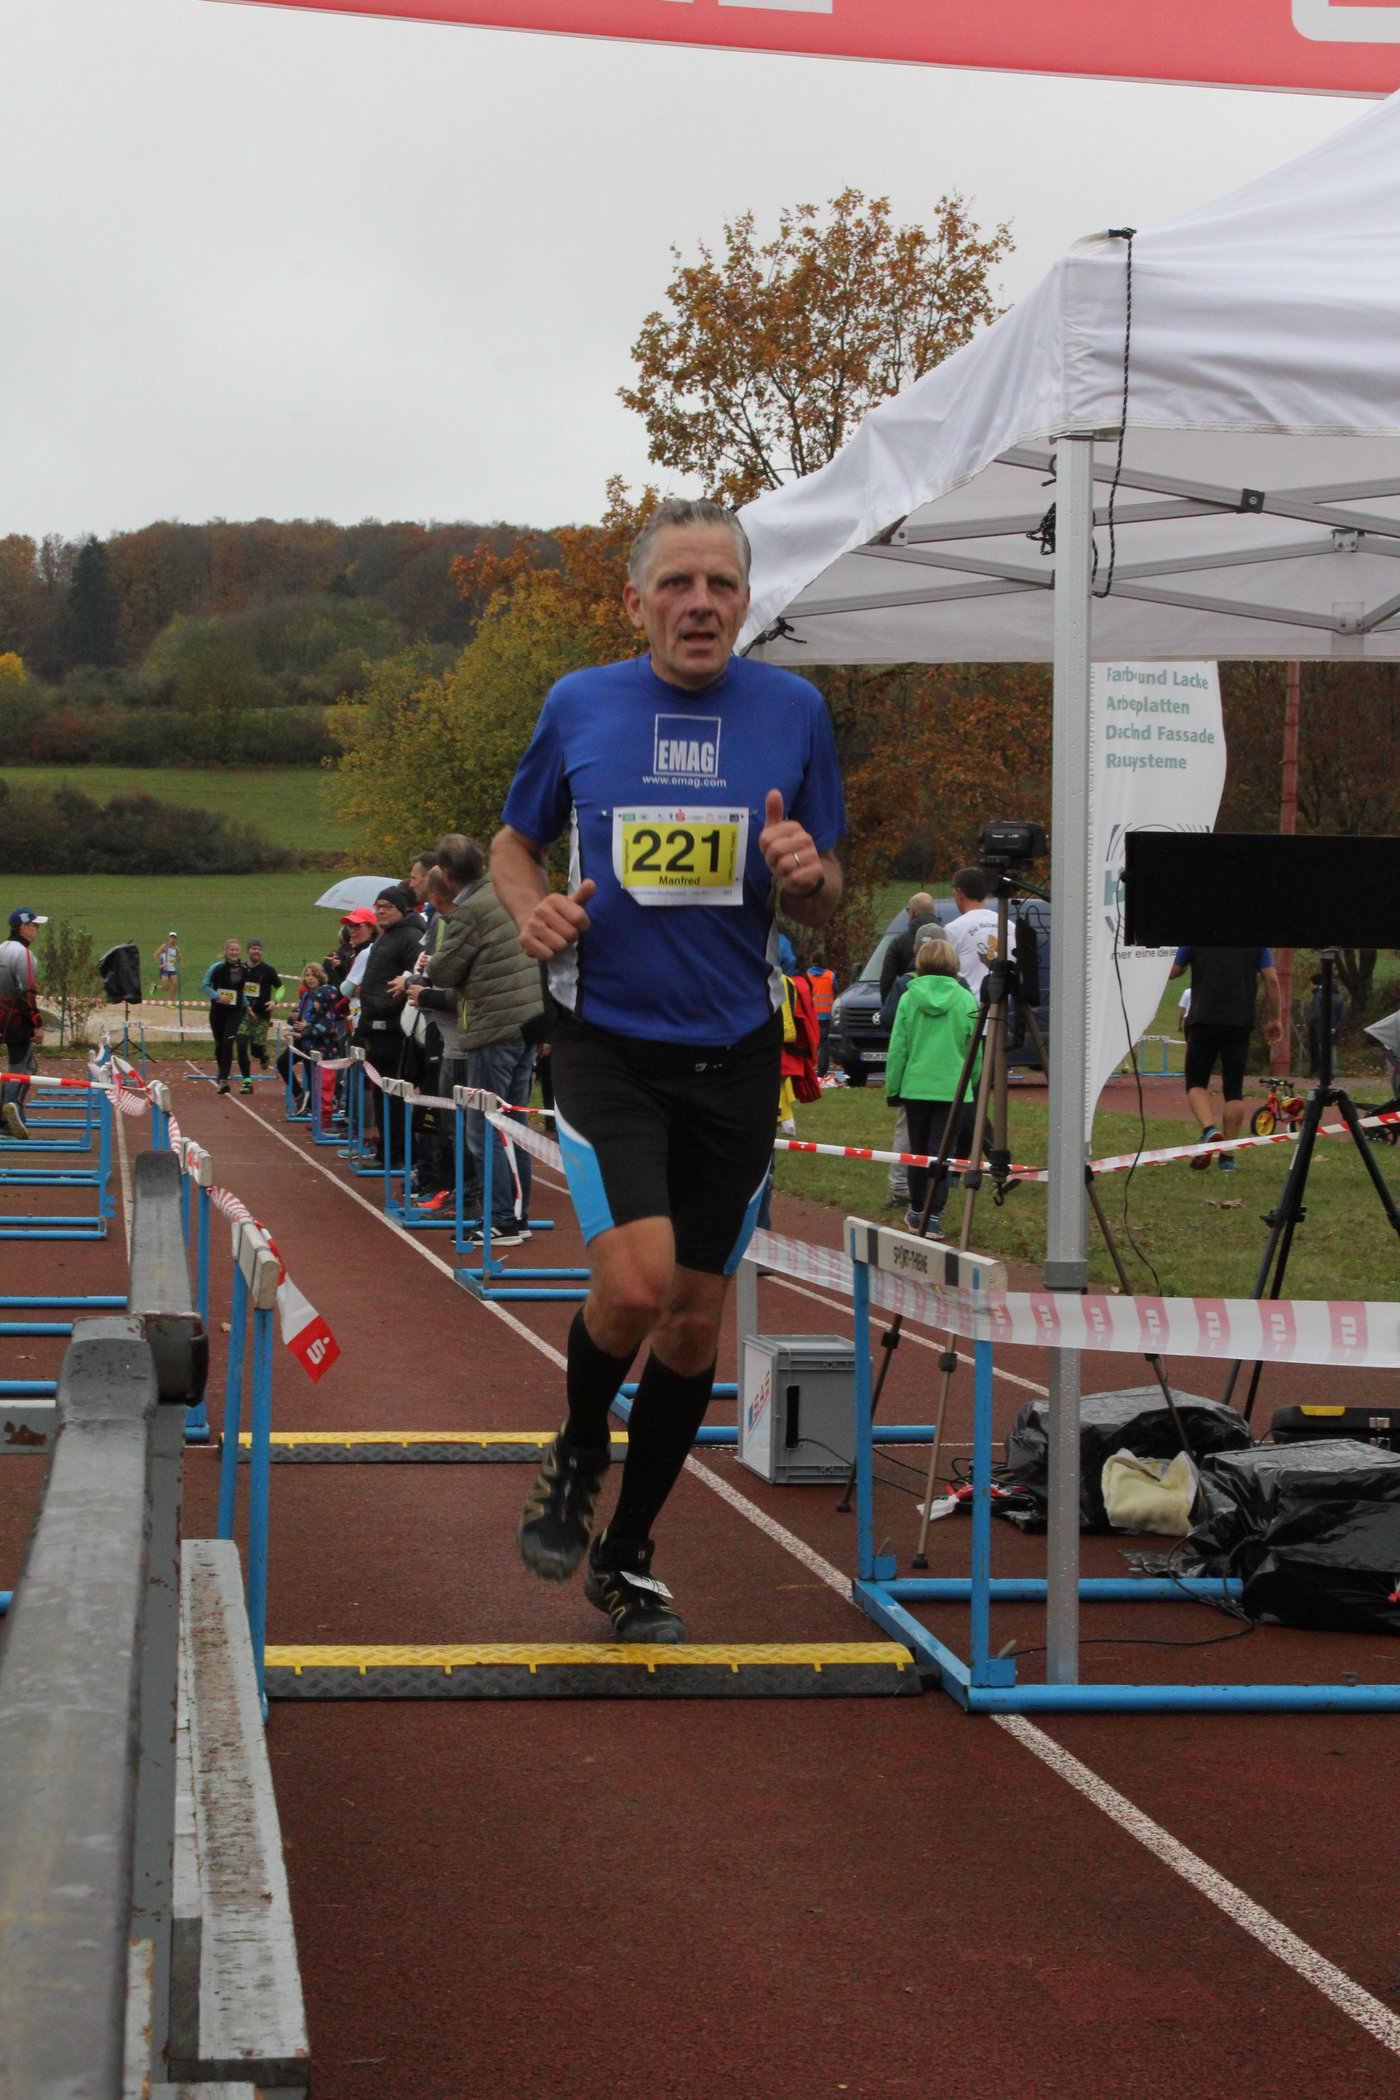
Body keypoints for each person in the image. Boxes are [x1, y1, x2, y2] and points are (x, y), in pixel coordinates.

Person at [492, 495, 844, 1642]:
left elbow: (824, 886)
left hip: (734, 1054)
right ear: (635, 602)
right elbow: (512, 843)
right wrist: (531, 908)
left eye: (721, 585)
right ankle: (577, 1444)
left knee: (693, 1326)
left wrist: (806, 874)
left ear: (746, 602)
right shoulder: (579, 703)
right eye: (677, 584)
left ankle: (627, 1551)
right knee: (636, 1287)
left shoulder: (793, 711)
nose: (700, 604)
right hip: (606, 1043)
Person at [410, 832, 543, 1243]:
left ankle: (500, 1218)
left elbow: (444, 971)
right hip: (527, 1021)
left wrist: (432, 961)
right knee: (514, 1125)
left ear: (448, 876)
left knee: (483, 1127)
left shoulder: (470, 910)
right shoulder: (503, 893)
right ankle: (517, 1215)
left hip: (492, 1026)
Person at [884, 937, 982, 1238]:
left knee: (918, 1151)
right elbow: (974, 1049)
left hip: (916, 1086)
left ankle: (917, 1210)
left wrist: (893, 1088)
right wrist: (971, 1082)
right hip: (953, 1089)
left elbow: (898, 1048)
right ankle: (934, 1214)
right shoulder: (967, 1000)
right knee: (942, 1153)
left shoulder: (908, 998)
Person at [1167, 944, 1283, 1170]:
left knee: (1196, 1082)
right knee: (1234, 1090)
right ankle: (1227, 1157)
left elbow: (1173, 972)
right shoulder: (1255, 940)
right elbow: (1271, 979)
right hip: (1240, 1021)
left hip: (1203, 1018)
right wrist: (1275, 1018)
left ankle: (1209, 1130)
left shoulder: (1194, 934)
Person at [355, 884, 426, 1165]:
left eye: (386, 906)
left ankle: (397, 1154)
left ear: (401, 908)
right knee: (382, 1093)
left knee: (394, 1095)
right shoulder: (386, 935)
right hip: (375, 1024)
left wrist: (392, 1009)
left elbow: (417, 977)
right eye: (378, 906)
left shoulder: (411, 937)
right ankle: (389, 1150)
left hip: (395, 1030)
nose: (380, 911)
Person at [0, 906, 47, 1140]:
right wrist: (37, 1023)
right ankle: (7, 1118)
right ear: (23, 927)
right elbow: (27, 994)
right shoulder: (24, 955)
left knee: (28, 1067)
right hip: (16, 1022)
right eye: (34, 926)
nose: (37, 930)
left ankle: (11, 1111)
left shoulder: (1, 948)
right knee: (20, 1070)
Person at [277, 963, 342, 1110]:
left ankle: (317, 1105)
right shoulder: (306, 995)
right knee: (282, 1063)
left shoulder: (323, 995)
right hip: (303, 1038)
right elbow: (299, 1016)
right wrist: (293, 1022)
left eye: (313, 975)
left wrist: (303, 1031)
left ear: (320, 977)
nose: (310, 978)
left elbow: (319, 1022)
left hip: (313, 1041)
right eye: (307, 976)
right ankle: (300, 1095)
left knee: (314, 1076)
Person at [944, 868, 1015, 999]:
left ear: (959, 892)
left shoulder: (953, 930)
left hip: (970, 1008)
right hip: (1004, 1007)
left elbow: (944, 974)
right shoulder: (1009, 926)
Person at [202, 940, 253, 1095]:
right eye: (232, 950)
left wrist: (247, 1007)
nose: (234, 953)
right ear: (226, 951)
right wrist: (217, 996)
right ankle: (222, 1072)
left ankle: (223, 1080)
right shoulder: (216, 968)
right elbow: (204, 986)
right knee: (219, 1045)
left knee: (228, 1043)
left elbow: (241, 992)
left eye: (237, 950)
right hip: (218, 1011)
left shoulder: (244, 969)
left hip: (235, 1012)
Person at [879, 892, 940, 1002]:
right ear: (933, 910)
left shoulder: (899, 942)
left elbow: (887, 980)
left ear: (911, 912)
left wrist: (888, 1005)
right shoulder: (947, 938)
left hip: (909, 1002)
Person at [238, 939, 282, 1074]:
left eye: (259, 949)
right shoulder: (240, 968)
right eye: (254, 948)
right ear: (248, 950)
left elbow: (281, 987)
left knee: (256, 1050)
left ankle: (262, 1054)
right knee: (241, 1044)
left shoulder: (268, 970)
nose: (257, 951)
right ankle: (246, 1079)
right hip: (243, 1014)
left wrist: (275, 1001)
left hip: (262, 1015)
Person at [1307, 970, 1347, 1079]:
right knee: (1332, 1049)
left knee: (1321, 1049)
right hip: (1334, 1028)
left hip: (1321, 1028)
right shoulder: (1339, 999)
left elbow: (1317, 1013)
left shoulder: (1320, 996)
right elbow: (1342, 1015)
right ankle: (1331, 1071)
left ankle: (1322, 1071)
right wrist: (1336, 1027)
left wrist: (1316, 1024)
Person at [806, 953, 837, 1076]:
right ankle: (822, 1072)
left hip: (811, 1015)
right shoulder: (830, 975)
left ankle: (808, 1070)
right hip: (826, 1016)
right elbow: (835, 990)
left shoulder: (806, 975)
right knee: (824, 1044)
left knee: (810, 1044)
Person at [153, 931, 181, 995]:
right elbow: (155, 954)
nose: (173, 939)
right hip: (164, 969)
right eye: (171, 937)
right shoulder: (164, 946)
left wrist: (180, 963)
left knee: (175, 985)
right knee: (166, 987)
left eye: (174, 938)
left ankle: (171, 1000)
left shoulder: (176, 948)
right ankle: (155, 987)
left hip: (172, 969)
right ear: (168, 938)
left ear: (176, 939)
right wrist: (159, 964)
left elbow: (179, 957)